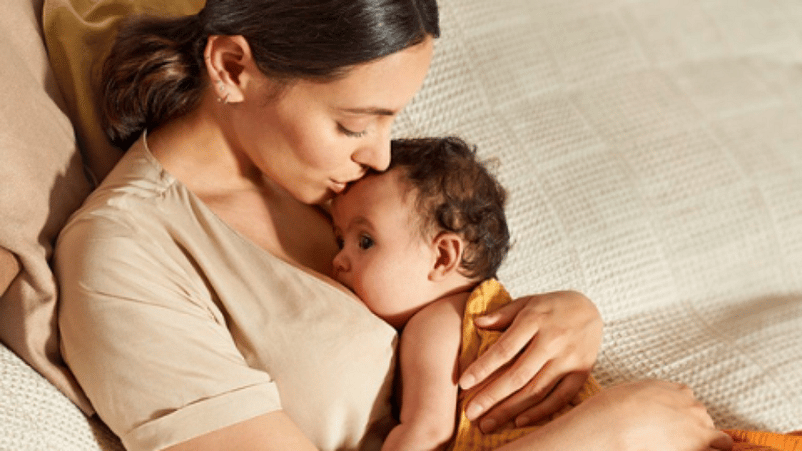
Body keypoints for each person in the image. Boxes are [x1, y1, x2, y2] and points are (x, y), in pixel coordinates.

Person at [53, 1, 732, 450]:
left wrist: (566, 318)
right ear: (232, 68)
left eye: (391, 120)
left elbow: (452, 305)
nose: (379, 153)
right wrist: (603, 434)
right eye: (353, 122)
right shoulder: (124, 254)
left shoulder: (344, 186)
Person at [332, 137, 802, 451]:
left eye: (364, 241)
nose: (339, 260)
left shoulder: (437, 323)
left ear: (442, 257)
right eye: (340, 242)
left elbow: (426, 432)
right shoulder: (497, 311)